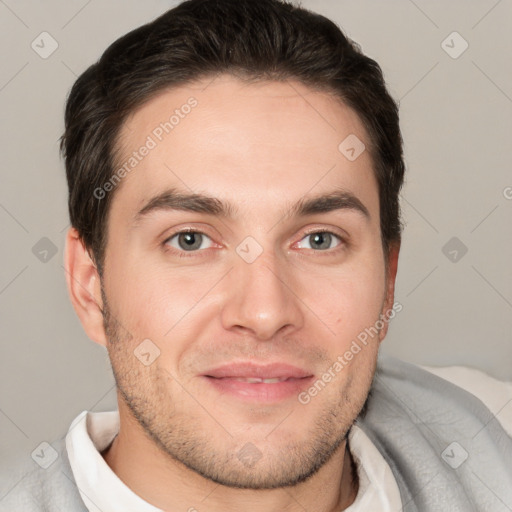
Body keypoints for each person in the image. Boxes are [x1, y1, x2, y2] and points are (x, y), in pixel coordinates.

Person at [1, 0, 511, 510]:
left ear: (388, 283)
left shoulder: (492, 435)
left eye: (319, 239)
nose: (265, 314)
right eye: (190, 240)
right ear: (90, 287)